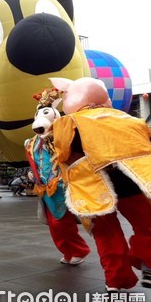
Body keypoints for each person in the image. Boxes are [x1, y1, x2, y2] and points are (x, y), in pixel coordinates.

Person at [50, 77, 151, 292]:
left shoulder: (67, 122)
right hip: (131, 181)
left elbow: (63, 154)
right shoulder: (129, 119)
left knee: (107, 233)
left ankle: (116, 280)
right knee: (147, 227)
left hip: (92, 184)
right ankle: (148, 261)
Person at [26, 86, 90, 266]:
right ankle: (70, 251)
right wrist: (32, 173)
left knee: (62, 223)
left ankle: (78, 250)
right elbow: (35, 160)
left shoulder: (64, 136)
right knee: (54, 225)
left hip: (63, 185)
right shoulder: (33, 143)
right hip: (46, 187)